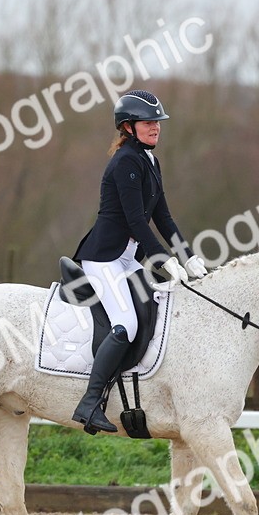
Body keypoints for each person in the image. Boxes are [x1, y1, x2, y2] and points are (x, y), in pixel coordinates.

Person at [70, 89, 207, 434]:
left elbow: (164, 218)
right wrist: (164, 260)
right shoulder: (126, 161)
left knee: (160, 309)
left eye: (157, 123)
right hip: (103, 259)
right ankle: (89, 402)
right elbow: (134, 221)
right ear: (128, 127)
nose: (156, 128)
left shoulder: (150, 161)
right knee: (126, 324)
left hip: (127, 259)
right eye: (148, 123)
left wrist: (188, 258)